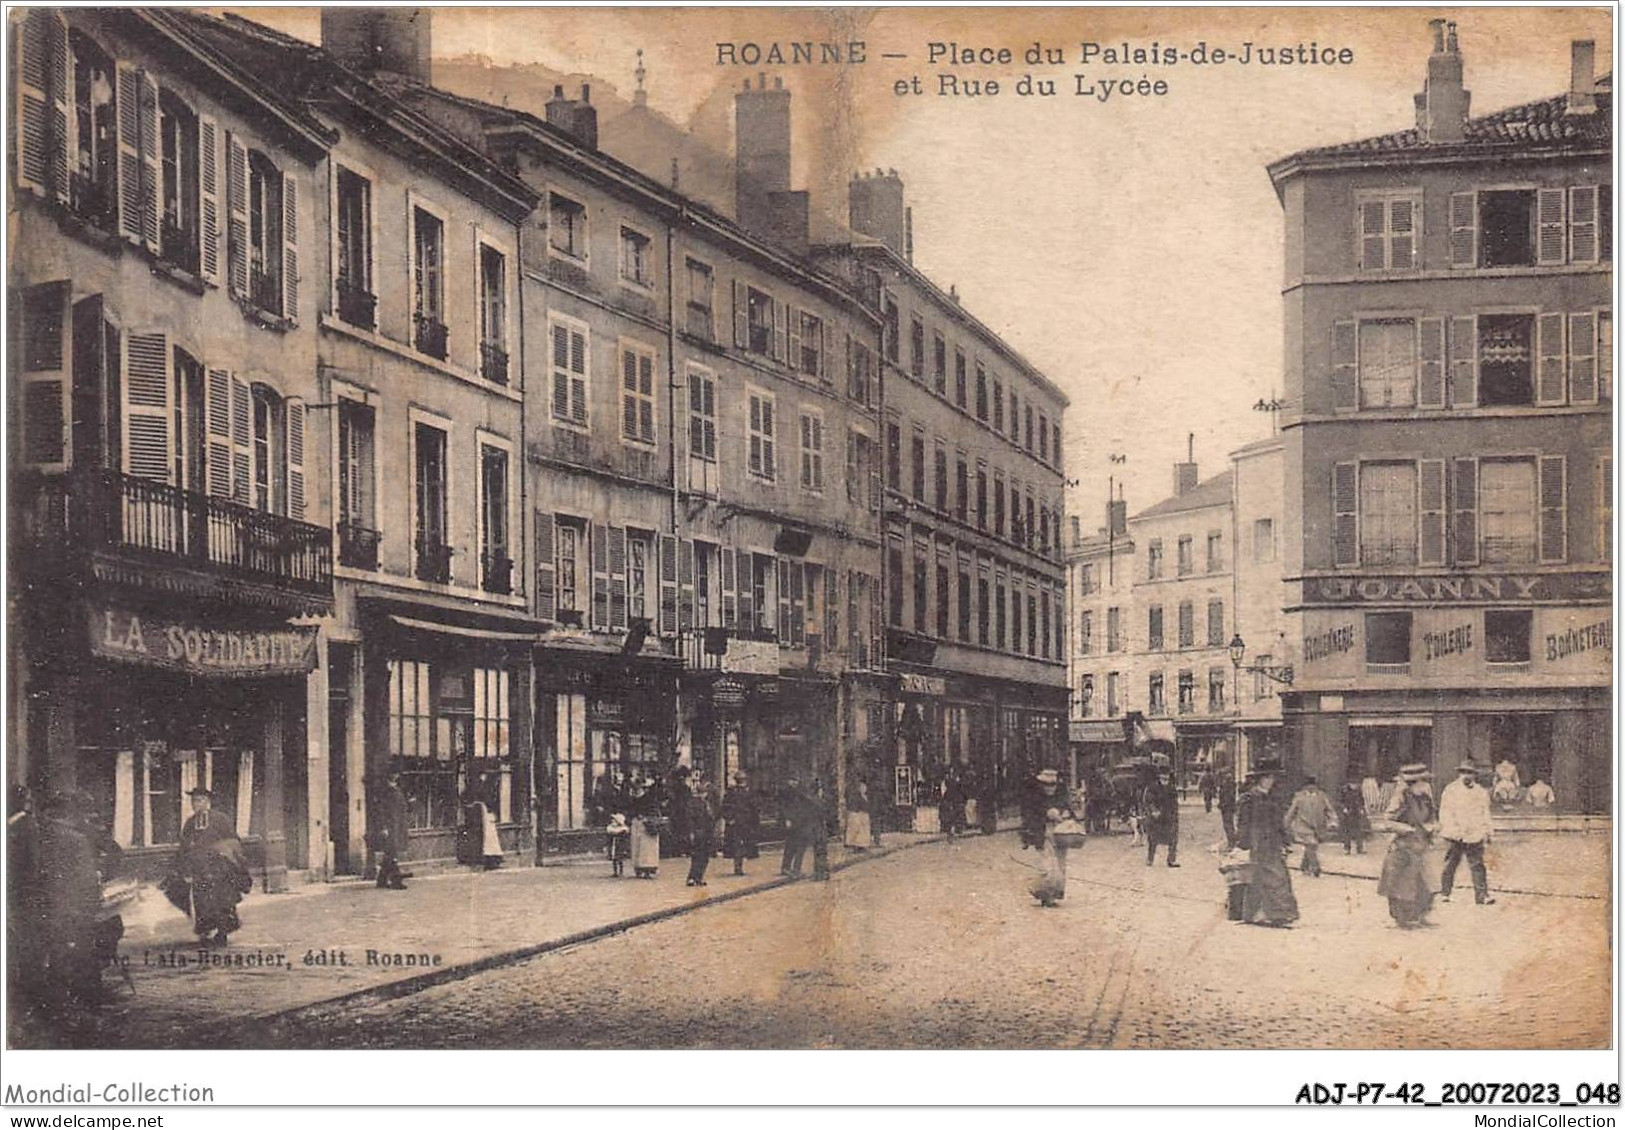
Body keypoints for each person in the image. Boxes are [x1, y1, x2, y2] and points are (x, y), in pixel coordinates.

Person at [172, 787, 251, 947]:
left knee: (221, 901)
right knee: (202, 901)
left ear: (208, 802)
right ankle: (206, 932)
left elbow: (232, 841)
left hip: (219, 870)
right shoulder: (190, 823)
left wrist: (224, 853)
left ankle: (222, 933)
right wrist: (183, 866)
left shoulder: (220, 819)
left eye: (200, 800)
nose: (196, 804)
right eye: (193, 801)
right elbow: (184, 846)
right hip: (199, 869)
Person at [1236, 760, 1298, 927]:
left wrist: (1285, 840)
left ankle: (1264, 913)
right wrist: (1242, 842)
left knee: (1272, 876)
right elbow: (1243, 822)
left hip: (1272, 841)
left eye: (1272, 777)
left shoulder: (1273, 798)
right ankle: (1273, 914)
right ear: (1260, 779)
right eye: (1268, 777)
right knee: (1266, 877)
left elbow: (1279, 822)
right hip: (1257, 842)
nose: (1271, 781)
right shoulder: (1249, 798)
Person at [1378, 764, 1437, 927]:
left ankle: (1421, 915)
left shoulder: (1425, 798)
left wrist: (1432, 826)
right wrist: (1406, 828)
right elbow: (1387, 821)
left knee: (1427, 883)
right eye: (1422, 782)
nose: (1425, 785)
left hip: (1421, 846)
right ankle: (1402, 919)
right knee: (1401, 885)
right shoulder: (1400, 798)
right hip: (1403, 846)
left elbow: (1431, 817)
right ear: (1413, 783)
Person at [1438, 760, 1495, 905]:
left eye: (1470, 773)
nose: (1466, 775)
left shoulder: (1480, 792)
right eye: (1463, 772)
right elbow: (1445, 812)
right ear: (1459, 774)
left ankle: (1482, 895)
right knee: (1451, 863)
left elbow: (1485, 813)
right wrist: (1452, 828)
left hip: (1474, 833)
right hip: (1455, 833)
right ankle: (1445, 892)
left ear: (1475, 775)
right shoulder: (1451, 790)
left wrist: (1488, 832)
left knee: (1477, 865)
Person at [1027, 768, 1079, 908]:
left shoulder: (1062, 797)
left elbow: (1071, 813)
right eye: (1046, 784)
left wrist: (1063, 814)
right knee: (1047, 866)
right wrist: (1046, 814)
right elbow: (1030, 818)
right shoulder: (1034, 799)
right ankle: (1044, 895)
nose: (1049, 787)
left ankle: (1054, 894)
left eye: (1052, 784)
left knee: (1060, 865)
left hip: (1060, 835)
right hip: (1043, 834)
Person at [1284, 776, 1336, 877]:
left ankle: (1304, 866)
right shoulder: (1299, 797)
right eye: (1309, 786)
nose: (1311, 788)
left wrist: (1333, 821)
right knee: (1311, 844)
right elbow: (1292, 811)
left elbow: (1329, 810)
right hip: (1303, 826)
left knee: (1311, 846)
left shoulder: (1321, 796)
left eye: (1313, 786)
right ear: (1305, 787)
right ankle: (1316, 868)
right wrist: (1286, 824)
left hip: (1318, 827)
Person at [373, 767, 410, 890]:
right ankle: (396, 881)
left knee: (389, 854)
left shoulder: (395, 790)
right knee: (391, 853)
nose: (396, 777)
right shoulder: (387, 792)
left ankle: (381, 880)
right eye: (393, 775)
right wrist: (384, 827)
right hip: (390, 827)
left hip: (396, 826)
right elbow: (382, 811)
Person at [721, 773, 761, 876]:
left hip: (743, 822)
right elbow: (726, 807)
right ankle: (738, 867)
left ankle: (738, 866)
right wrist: (729, 818)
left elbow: (754, 808)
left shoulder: (741, 792)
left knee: (740, 845)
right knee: (738, 845)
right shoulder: (735, 792)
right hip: (740, 822)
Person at [1142, 766, 1180, 868]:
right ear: (1159, 777)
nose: (1165, 780)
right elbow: (1149, 800)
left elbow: (1175, 803)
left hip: (1168, 817)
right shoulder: (1153, 787)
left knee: (1173, 839)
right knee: (1153, 839)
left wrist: (1175, 816)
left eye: (1167, 777)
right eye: (1163, 777)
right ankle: (1150, 859)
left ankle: (1171, 860)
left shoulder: (1172, 788)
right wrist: (1154, 811)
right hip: (1156, 818)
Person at [685, 777, 718, 888]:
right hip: (699, 832)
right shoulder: (693, 803)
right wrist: (691, 832)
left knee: (705, 857)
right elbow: (690, 819)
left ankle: (699, 877)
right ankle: (692, 877)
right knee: (698, 856)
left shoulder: (706, 804)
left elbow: (711, 817)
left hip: (707, 832)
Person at [628, 776, 662, 879]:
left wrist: (646, 816)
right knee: (637, 846)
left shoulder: (649, 797)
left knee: (647, 847)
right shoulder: (633, 797)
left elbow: (654, 809)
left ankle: (648, 869)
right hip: (637, 823)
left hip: (647, 823)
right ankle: (639, 868)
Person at [779, 776, 804, 876]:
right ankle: (786, 867)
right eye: (792, 780)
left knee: (800, 846)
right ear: (788, 781)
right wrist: (787, 819)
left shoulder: (799, 792)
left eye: (796, 780)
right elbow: (782, 807)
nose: (794, 782)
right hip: (790, 821)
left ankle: (796, 868)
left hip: (799, 821)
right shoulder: (785, 792)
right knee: (790, 845)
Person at [1338, 777, 1369, 854]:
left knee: (1358, 831)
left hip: (1356, 812)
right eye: (1353, 784)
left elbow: (1361, 800)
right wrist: (1344, 808)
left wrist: (1361, 809)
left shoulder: (1358, 790)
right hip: (1347, 812)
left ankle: (1359, 848)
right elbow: (1340, 801)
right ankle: (1347, 848)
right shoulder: (1344, 790)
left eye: (1355, 784)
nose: (1354, 786)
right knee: (1347, 831)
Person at [845, 778, 874, 850]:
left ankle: (863, 845)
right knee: (858, 830)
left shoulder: (866, 796)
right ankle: (857, 846)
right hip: (860, 814)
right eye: (862, 787)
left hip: (865, 815)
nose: (864, 789)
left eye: (865, 787)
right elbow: (856, 806)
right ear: (859, 788)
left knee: (864, 831)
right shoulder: (857, 797)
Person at [938, 769, 967, 840]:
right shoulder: (950, 783)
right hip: (951, 800)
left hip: (953, 800)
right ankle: (951, 830)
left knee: (953, 816)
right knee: (951, 816)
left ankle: (953, 830)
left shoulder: (952, 783)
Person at [1216, 766, 1239, 849]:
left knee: (1228, 825)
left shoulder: (1227, 785)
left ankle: (1231, 843)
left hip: (1227, 808)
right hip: (1227, 807)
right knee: (1228, 825)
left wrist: (1222, 804)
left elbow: (1228, 797)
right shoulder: (1229, 785)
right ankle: (1231, 842)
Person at [605, 811, 630, 877]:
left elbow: (624, 836)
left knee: (620, 858)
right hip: (614, 844)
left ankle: (621, 871)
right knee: (614, 859)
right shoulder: (611, 827)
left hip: (620, 845)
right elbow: (610, 834)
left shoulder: (623, 829)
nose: (612, 821)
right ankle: (615, 872)